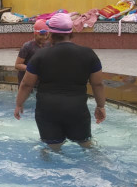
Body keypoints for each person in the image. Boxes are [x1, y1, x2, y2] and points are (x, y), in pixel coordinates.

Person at [14, 13, 106, 151]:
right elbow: (97, 84)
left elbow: (27, 84)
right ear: (71, 32)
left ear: (51, 34)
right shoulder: (88, 54)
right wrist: (100, 106)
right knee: (86, 146)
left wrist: (19, 104)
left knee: (52, 149)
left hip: (48, 110)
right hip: (77, 109)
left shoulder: (40, 56)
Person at [15, 20, 51, 84]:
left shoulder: (48, 45)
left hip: (41, 83)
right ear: (35, 34)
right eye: (41, 35)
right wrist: (33, 69)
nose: (44, 37)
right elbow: (17, 65)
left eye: (46, 35)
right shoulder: (27, 47)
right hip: (27, 83)